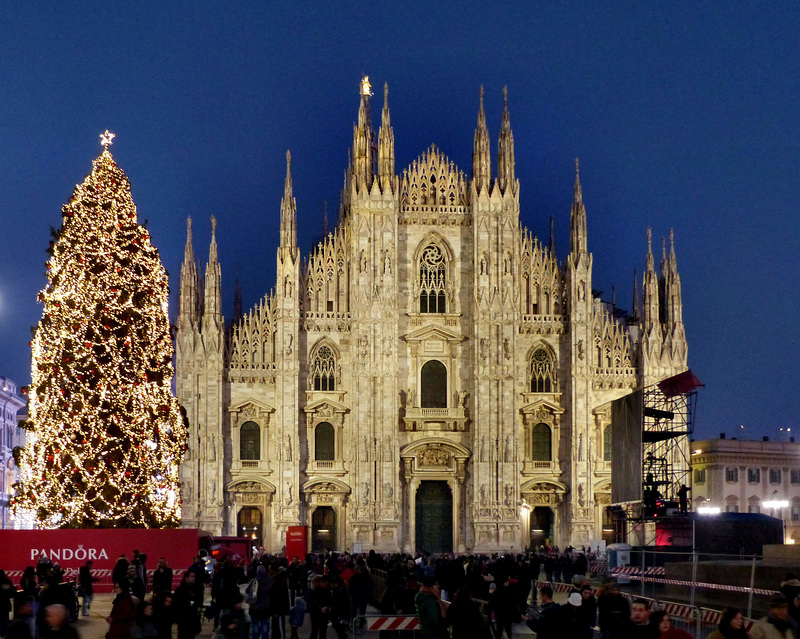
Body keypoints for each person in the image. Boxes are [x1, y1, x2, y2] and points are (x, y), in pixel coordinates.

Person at [173, 572, 203, 639]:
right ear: (186, 578)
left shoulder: (196, 589)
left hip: (193, 618)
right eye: (191, 576)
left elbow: (199, 601)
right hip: (183, 619)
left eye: (194, 576)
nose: (194, 578)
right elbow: (176, 605)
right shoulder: (180, 590)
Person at [249, 565, 274, 639]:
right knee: (265, 627)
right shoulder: (270, 581)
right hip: (266, 607)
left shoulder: (255, 580)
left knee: (255, 627)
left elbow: (248, 591)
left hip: (255, 607)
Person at [0, 569, 15, 636]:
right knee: (6, 619)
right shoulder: (7, 581)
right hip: (6, 603)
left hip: (1, 603)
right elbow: (12, 592)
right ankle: (5, 633)